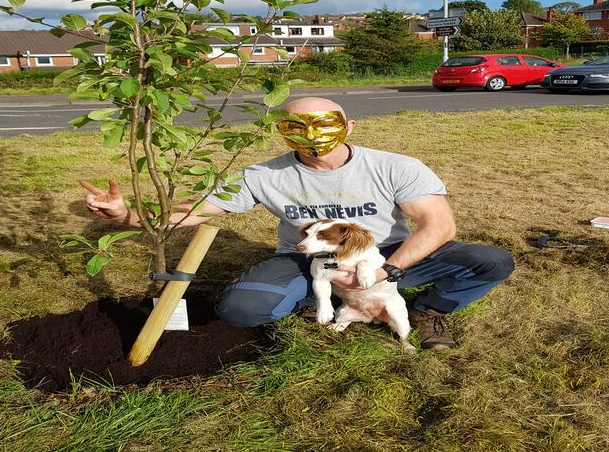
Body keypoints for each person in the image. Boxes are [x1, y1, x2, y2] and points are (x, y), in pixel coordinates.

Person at [81, 97, 514, 350]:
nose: (310, 133)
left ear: (348, 126)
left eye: (322, 123)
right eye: (296, 125)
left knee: (490, 261)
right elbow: (196, 212)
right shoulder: (263, 175)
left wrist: (386, 271)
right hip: (307, 259)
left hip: (387, 257)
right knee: (239, 309)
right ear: (283, 132)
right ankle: (315, 299)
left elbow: (437, 227)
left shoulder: (397, 167)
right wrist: (127, 216)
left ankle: (431, 308)